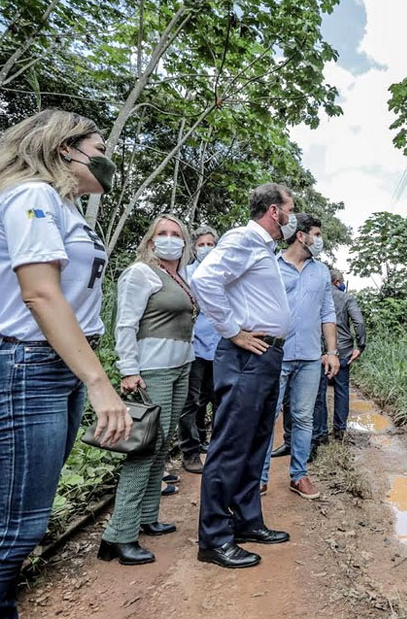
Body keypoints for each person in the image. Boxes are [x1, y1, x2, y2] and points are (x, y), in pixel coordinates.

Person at [0, 109, 131, 618]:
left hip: (50, 370)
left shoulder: (64, 207)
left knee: (22, 523)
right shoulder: (32, 195)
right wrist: (101, 383)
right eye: (99, 151)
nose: (106, 162)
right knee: (14, 529)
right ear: (67, 148)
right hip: (22, 366)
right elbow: (39, 293)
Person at [191, 183, 295, 569]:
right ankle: (214, 538)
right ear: (274, 211)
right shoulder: (244, 238)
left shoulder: (264, 249)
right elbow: (205, 280)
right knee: (231, 444)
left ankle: (247, 520)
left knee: (256, 442)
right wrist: (232, 330)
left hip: (266, 353)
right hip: (244, 353)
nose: (292, 216)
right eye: (290, 209)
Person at [99, 214, 196, 565]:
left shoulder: (179, 277)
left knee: (162, 443)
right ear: (151, 241)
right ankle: (118, 536)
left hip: (180, 367)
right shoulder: (140, 273)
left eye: (176, 234)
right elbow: (125, 323)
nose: (170, 239)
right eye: (163, 233)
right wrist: (129, 370)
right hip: (151, 370)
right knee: (144, 448)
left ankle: (146, 516)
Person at [260, 213, 339, 500]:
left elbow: (327, 311)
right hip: (274, 353)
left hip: (309, 357)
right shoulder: (271, 264)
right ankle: (259, 477)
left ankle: (299, 475)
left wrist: (331, 352)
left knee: (304, 417)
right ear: (301, 235)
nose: (319, 240)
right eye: (316, 234)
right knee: (267, 416)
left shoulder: (321, 271)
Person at [178, 225, 221, 473]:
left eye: (210, 243)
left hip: (220, 346)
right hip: (194, 346)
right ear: (194, 248)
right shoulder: (186, 273)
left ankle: (215, 446)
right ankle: (191, 450)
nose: (206, 248)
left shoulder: (223, 273)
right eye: (201, 244)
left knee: (219, 399)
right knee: (191, 401)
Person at [311, 269, 366, 450]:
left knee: (319, 392)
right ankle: (340, 430)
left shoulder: (316, 297)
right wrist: (360, 346)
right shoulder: (347, 298)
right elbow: (359, 322)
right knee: (342, 390)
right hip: (343, 352)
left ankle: (320, 433)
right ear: (337, 282)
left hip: (319, 352)